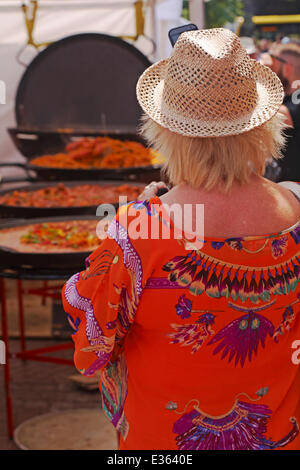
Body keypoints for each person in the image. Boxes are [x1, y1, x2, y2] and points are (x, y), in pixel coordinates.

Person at [62, 28, 300, 450]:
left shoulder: (139, 231)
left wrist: (134, 220)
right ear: (264, 124)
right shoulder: (296, 205)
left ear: (166, 131)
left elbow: (91, 340)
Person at [261, 43, 300, 181]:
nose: (271, 71)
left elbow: (279, 116)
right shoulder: (289, 97)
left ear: (287, 68)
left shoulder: (294, 102)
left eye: (274, 66)